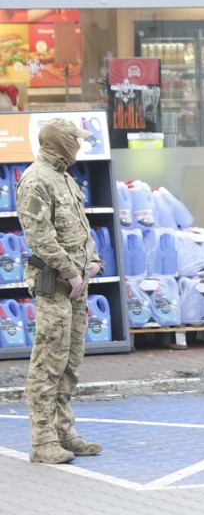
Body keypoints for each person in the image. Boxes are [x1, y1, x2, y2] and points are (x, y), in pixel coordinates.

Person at [15, 118, 105, 464]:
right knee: (48, 362)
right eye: (74, 139)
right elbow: (39, 236)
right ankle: (43, 441)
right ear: (59, 141)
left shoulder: (64, 177)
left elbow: (80, 227)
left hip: (77, 283)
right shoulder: (36, 180)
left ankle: (64, 431)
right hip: (55, 284)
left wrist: (94, 262)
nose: (79, 145)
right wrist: (71, 271)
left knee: (70, 362)